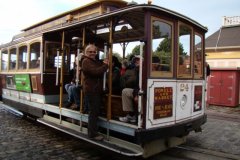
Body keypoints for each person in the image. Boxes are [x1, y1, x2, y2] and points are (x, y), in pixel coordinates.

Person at [81, 44, 108, 141]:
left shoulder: (93, 61)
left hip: (95, 89)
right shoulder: (86, 61)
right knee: (93, 112)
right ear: (86, 52)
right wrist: (105, 65)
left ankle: (94, 130)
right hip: (92, 90)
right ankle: (92, 134)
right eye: (90, 52)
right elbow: (95, 72)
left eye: (94, 52)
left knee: (95, 111)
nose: (93, 53)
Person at [119, 55, 141, 124]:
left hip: (143, 91)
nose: (136, 61)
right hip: (137, 90)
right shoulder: (135, 70)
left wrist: (136, 93)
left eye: (138, 60)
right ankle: (131, 114)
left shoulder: (144, 69)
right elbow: (135, 84)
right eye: (135, 60)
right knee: (125, 91)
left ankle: (139, 116)